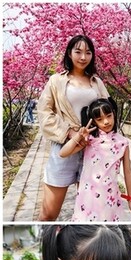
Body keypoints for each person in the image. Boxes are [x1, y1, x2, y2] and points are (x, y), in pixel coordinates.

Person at [36, 35, 110, 221]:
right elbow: (44, 112)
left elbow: (108, 111)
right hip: (64, 147)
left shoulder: (97, 82)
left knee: (88, 213)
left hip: (92, 149)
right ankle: (46, 249)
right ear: (69, 53)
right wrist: (70, 132)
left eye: (88, 52)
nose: (83, 57)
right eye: (78, 51)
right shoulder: (56, 81)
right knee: (48, 215)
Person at [61, 98, 131, 221]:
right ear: (94, 122)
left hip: (110, 197)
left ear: (114, 113)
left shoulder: (123, 143)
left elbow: (128, 172)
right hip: (88, 197)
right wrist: (79, 136)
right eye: (100, 119)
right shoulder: (90, 140)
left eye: (109, 116)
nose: (106, 121)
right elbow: (63, 153)